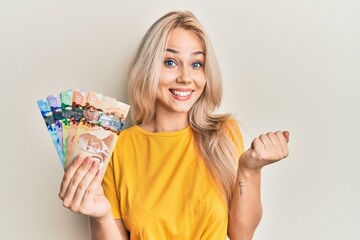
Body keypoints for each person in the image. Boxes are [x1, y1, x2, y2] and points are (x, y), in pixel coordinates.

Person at [58, 10, 289, 240]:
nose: (186, 77)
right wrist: (101, 216)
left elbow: (241, 234)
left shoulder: (224, 133)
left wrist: (250, 169)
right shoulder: (117, 147)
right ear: (148, 68)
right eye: (170, 62)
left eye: (197, 64)